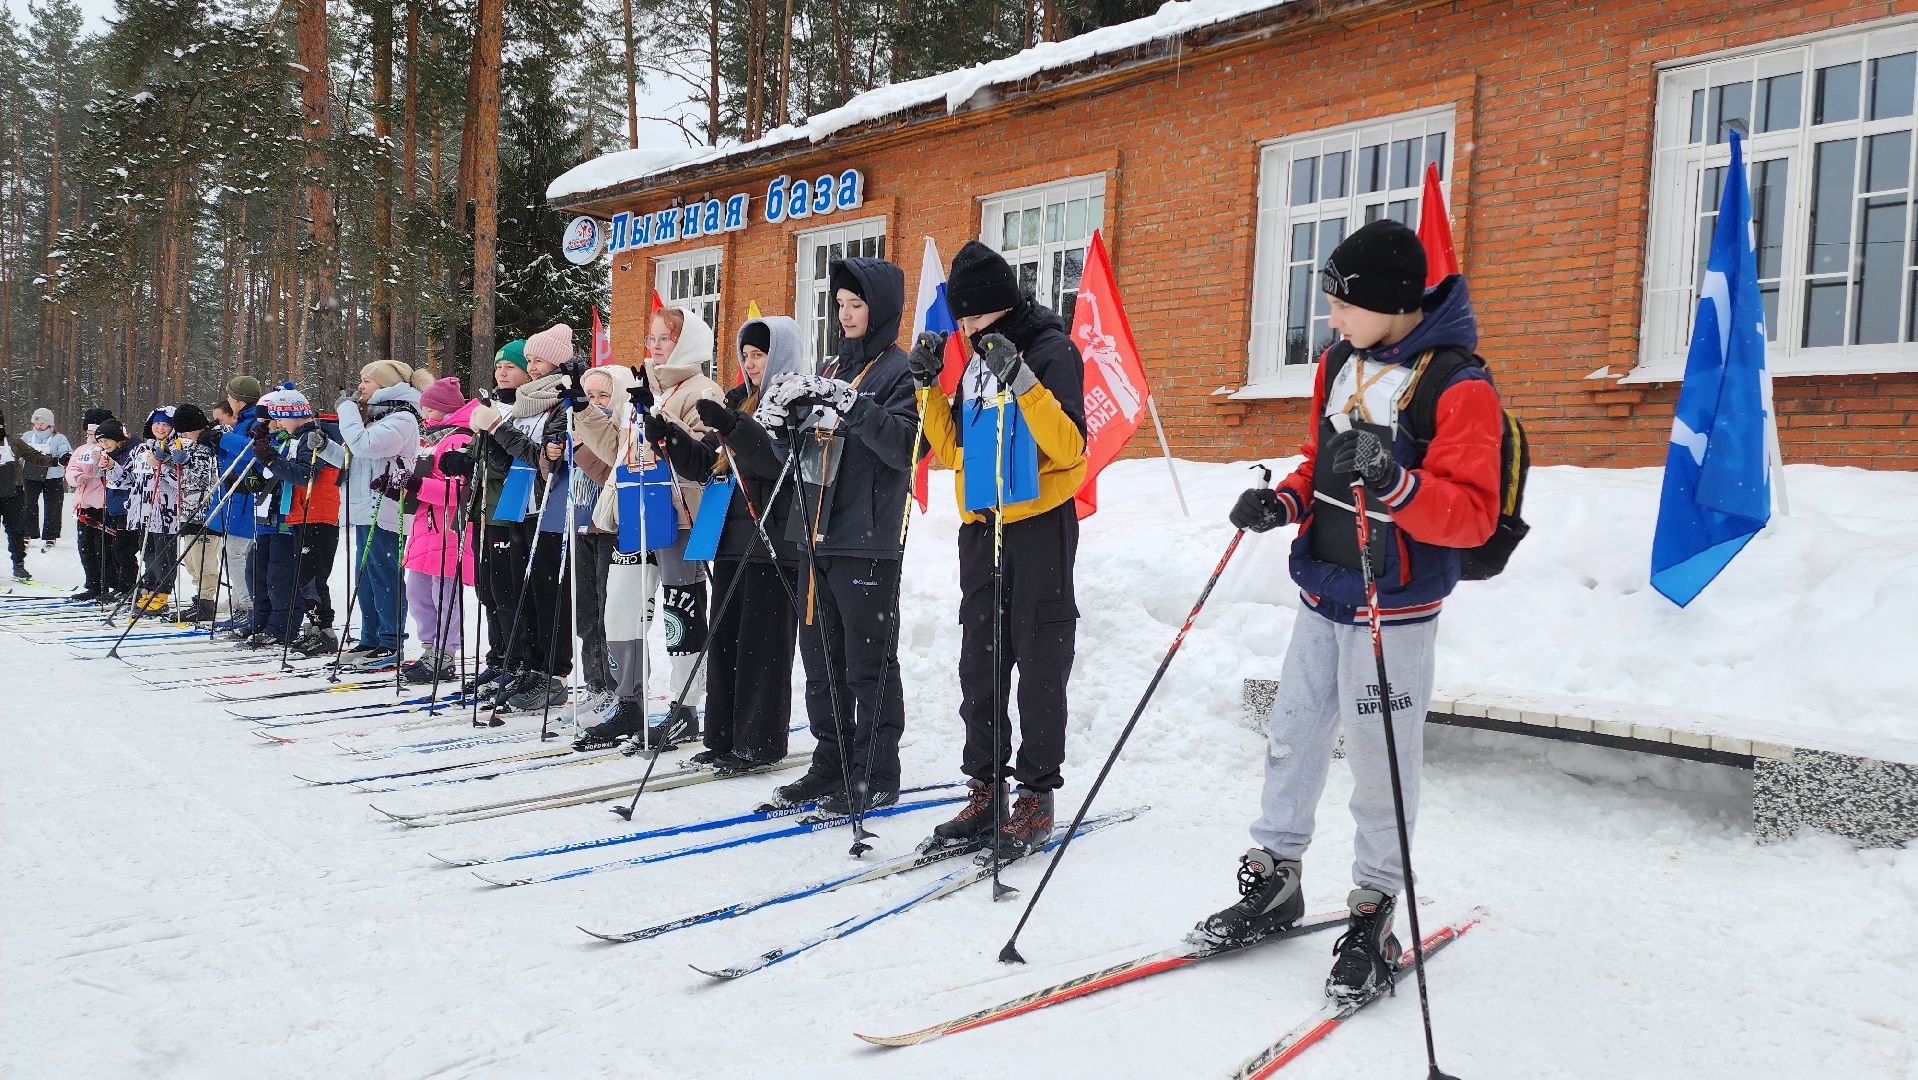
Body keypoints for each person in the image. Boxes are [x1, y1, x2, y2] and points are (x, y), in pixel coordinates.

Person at [1194, 219, 1501, 1004]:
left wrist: (1397, 484)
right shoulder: (1339, 363)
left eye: (1342, 305)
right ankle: (1276, 878)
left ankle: (1374, 908)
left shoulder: (1456, 384)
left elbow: (1472, 516)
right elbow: (1322, 458)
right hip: (1325, 589)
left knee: (1379, 761)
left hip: (1393, 604)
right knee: (1293, 738)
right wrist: (1286, 499)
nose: (1330, 320)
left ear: (1392, 303)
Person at [910, 240, 1088, 861]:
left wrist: (1024, 380)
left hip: (1038, 523)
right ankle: (985, 786)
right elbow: (955, 452)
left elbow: (1070, 449)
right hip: (982, 525)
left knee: (1039, 658)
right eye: (958, 320)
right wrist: (930, 388)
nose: (964, 329)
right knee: (979, 661)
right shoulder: (978, 359)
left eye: (972, 318)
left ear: (999, 308)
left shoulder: (1049, 348)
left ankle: (1036, 794)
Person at [755, 257, 917, 815]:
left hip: (865, 536)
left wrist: (853, 406)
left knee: (866, 660)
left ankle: (876, 769)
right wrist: (780, 428)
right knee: (820, 658)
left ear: (881, 308)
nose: (846, 315)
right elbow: (799, 454)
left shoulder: (899, 371)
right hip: (814, 529)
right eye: (841, 305)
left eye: (857, 305)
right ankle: (832, 760)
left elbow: (902, 448)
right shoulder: (828, 367)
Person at [642, 315, 808, 772]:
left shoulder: (797, 403)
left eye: (761, 355)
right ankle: (723, 734)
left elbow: (776, 464)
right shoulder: (740, 400)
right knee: (728, 640)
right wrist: (670, 438)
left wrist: (734, 427)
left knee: (763, 643)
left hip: (773, 536)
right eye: (748, 356)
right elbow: (709, 467)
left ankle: (758, 740)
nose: (753, 364)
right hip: (731, 534)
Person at [569, 307, 723, 751]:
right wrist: (585, 412)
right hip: (634, 510)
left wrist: (663, 422)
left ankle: (684, 707)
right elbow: (619, 448)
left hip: (676, 515)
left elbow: (705, 457)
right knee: (621, 606)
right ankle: (628, 699)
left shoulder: (700, 389)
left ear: (688, 342)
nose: (653, 346)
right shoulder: (641, 389)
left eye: (664, 339)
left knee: (680, 610)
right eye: (651, 337)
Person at [465, 327, 574, 713]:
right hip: (519, 506)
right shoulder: (526, 402)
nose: (531, 367)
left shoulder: (561, 403)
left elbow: (544, 461)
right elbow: (506, 460)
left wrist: (498, 429)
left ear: (557, 363)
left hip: (551, 509)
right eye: (528, 360)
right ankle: (527, 664)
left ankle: (553, 672)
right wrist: (487, 439)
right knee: (521, 591)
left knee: (548, 593)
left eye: (537, 360)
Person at [236, 386, 346, 656]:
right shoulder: (294, 437)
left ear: (293, 414)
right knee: (303, 577)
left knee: (312, 577)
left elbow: (303, 475)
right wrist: (264, 466)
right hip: (300, 512)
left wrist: (271, 459)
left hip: (317, 513)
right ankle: (314, 628)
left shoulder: (312, 437)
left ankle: (324, 630)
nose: (277, 423)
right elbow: (286, 474)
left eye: (280, 417)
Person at [336, 359, 432, 666]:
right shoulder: (377, 416)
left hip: (386, 508)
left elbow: (364, 446)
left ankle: (391, 641)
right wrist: (325, 446)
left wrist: (347, 411)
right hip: (366, 507)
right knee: (366, 575)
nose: (360, 386)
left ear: (387, 384)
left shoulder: (403, 418)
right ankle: (371, 637)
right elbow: (356, 455)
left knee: (383, 573)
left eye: (367, 380)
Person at [400, 377, 478, 684]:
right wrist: (402, 488)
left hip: (448, 530)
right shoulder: (433, 440)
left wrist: (418, 485)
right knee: (418, 592)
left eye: (430, 409)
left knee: (444, 594)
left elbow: (460, 490)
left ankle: (445, 654)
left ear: (445, 411)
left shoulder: (459, 440)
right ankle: (430, 648)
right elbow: (424, 483)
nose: (425, 416)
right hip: (426, 529)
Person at [214, 377, 266, 627]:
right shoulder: (244, 421)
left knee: (237, 554)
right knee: (234, 553)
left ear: (239, 400)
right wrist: (216, 444)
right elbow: (234, 454)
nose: (230, 402)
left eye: (232, 397)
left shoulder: (254, 421)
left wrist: (222, 441)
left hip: (247, 498)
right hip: (236, 496)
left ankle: (250, 606)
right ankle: (248, 605)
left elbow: (253, 450)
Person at [165, 405, 225, 622]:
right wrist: (170, 463)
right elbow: (183, 479)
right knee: (191, 560)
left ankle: (206, 601)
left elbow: (207, 477)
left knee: (203, 560)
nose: (184, 436)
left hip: (208, 511)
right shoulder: (190, 446)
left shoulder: (212, 444)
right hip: (188, 511)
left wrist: (188, 462)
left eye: (187, 431)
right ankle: (200, 598)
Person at [65, 409, 118, 600]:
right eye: (88, 432)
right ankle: (93, 584)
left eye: (95, 432)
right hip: (83, 504)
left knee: (103, 547)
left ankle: (109, 584)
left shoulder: (109, 449)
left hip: (103, 505)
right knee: (85, 546)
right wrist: (78, 477)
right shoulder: (81, 450)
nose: (91, 437)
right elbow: (71, 470)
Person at [0, 414, 60, 581]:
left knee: (16, 531)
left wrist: (54, 461)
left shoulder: (13, 442)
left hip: (13, 492)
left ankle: (18, 565)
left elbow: (33, 456)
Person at [20, 409, 72, 552]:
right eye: (36, 422)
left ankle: (50, 536)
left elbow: (65, 451)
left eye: (42, 422)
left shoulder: (59, 438)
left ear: (50, 424)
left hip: (52, 477)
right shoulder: (28, 436)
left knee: (53, 506)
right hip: (31, 475)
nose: (39, 425)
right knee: (28, 504)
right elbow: (18, 450)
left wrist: (65, 457)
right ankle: (26, 533)